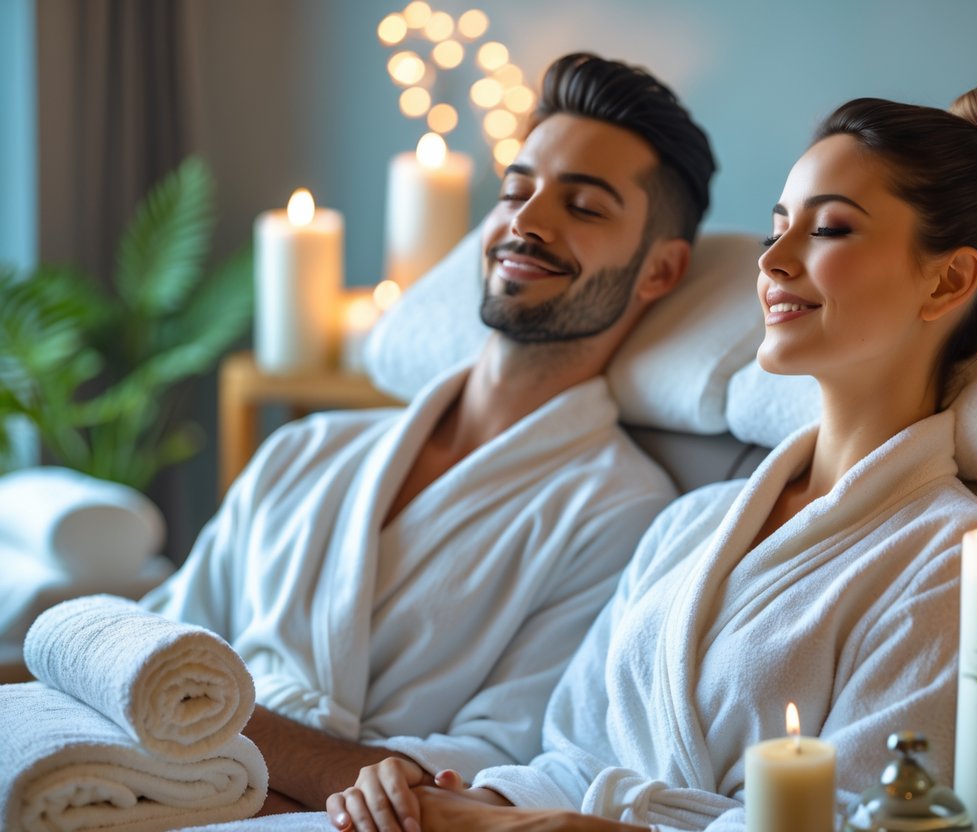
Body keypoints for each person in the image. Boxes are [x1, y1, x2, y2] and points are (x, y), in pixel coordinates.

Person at [326, 85, 977, 831]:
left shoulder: (952, 563)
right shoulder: (693, 522)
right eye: (776, 229)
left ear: (946, 280)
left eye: (831, 229)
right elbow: (569, 758)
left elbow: (866, 816)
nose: (774, 261)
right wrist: (443, 799)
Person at [142, 51, 717, 814]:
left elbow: (504, 761)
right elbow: (149, 646)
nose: (527, 222)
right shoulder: (307, 450)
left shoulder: (620, 513)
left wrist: (197, 720)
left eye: (583, 208)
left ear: (661, 271)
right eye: (516, 190)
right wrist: (285, 749)